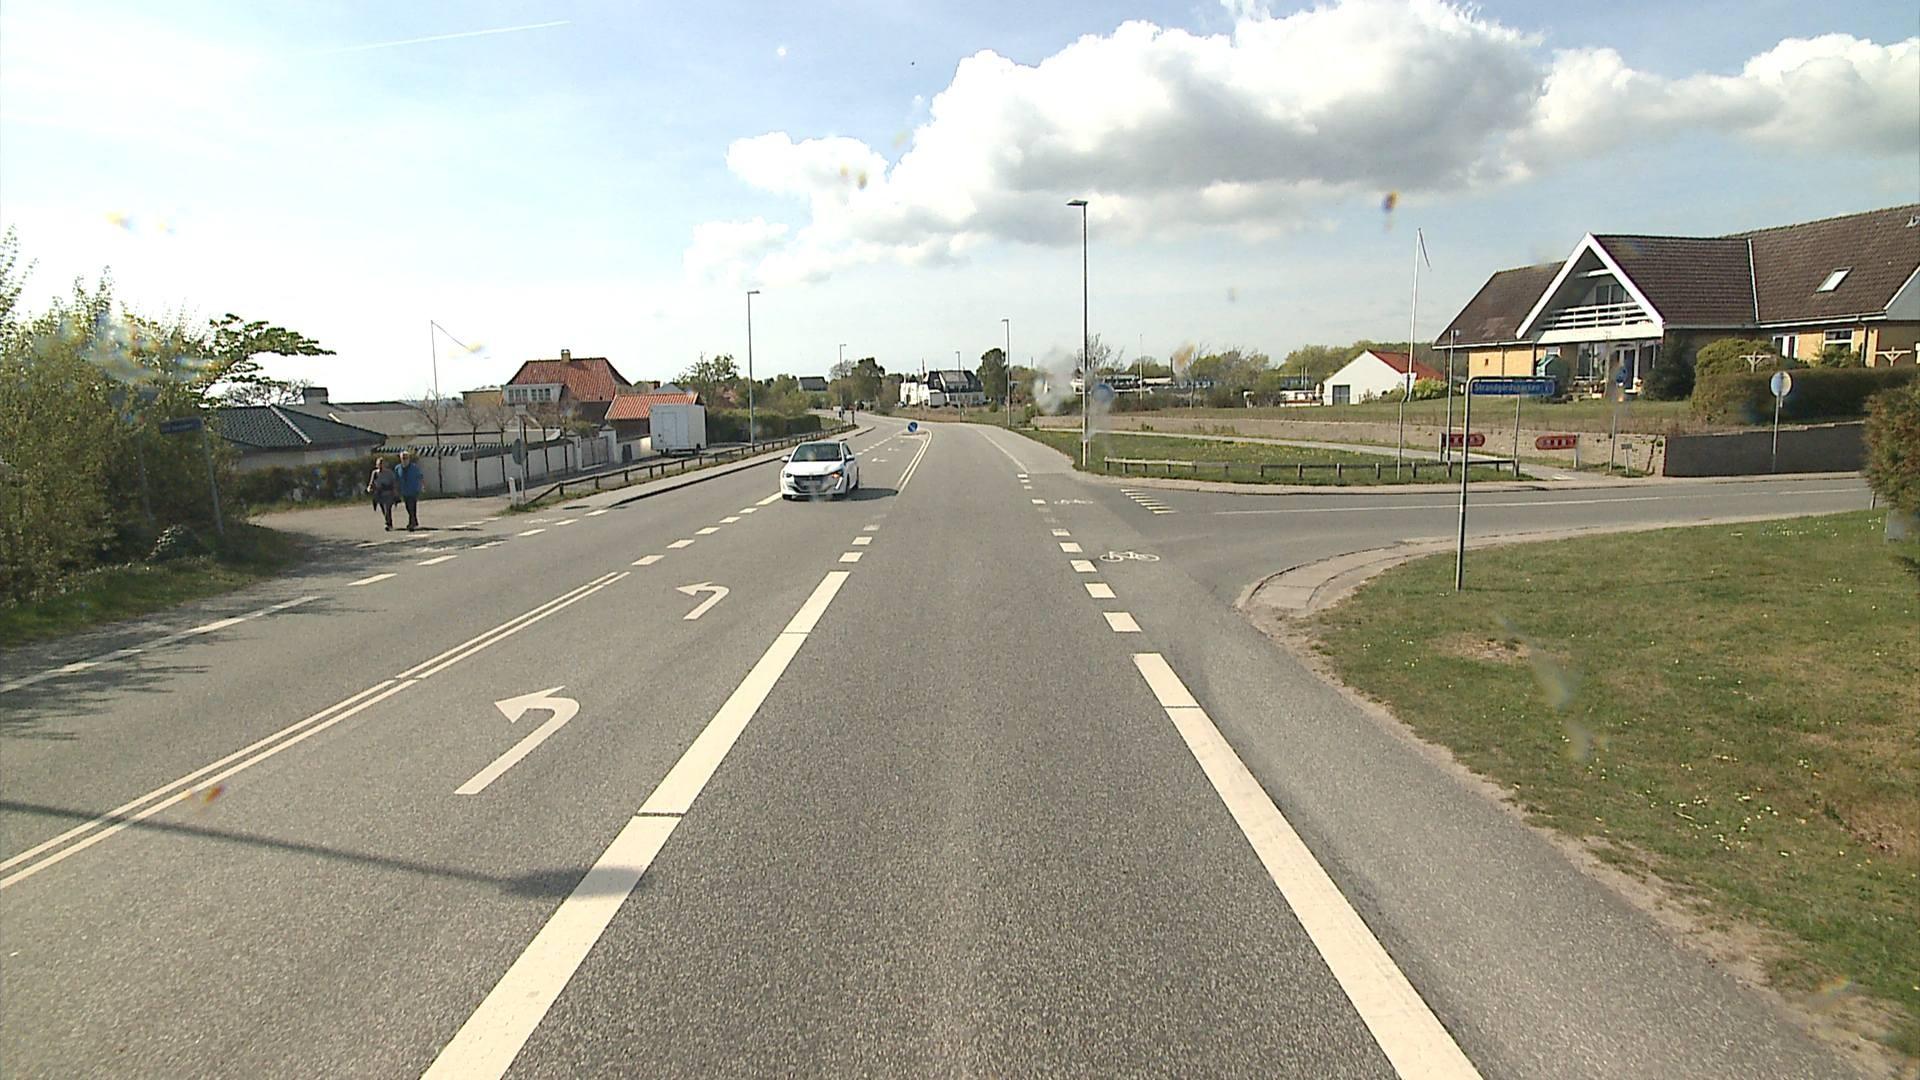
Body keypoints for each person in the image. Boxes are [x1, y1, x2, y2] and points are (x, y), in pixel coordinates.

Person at [395, 451, 426, 530]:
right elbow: (396, 479)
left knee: (412, 506)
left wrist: (422, 486)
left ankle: (411, 523)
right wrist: (396, 489)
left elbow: (420, 477)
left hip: (413, 490)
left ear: (409, 459)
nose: (404, 460)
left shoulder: (414, 467)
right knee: (408, 507)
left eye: (406, 458)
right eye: (403, 458)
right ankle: (414, 521)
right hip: (404, 491)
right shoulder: (398, 468)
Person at [367, 456, 399, 531]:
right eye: (379, 464)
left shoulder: (389, 473)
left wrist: (395, 492)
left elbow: (394, 482)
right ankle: (389, 522)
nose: (381, 466)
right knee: (383, 510)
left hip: (388, 493)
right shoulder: (375, 473)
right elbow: (371, 483)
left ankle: (387, 524)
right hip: (379, 494)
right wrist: (369, 488)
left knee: (387, 509)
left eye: (382, 464)